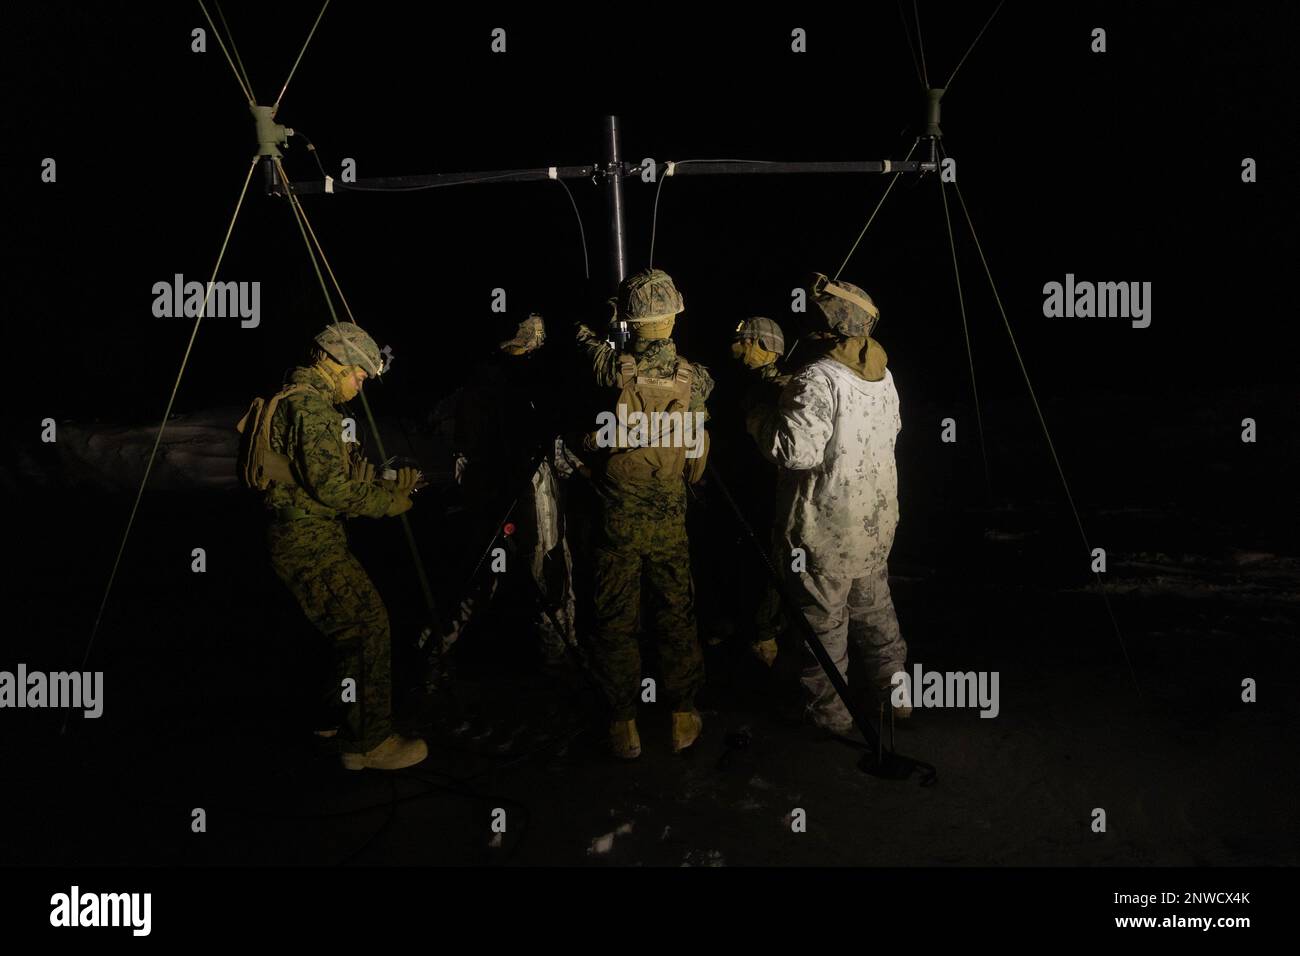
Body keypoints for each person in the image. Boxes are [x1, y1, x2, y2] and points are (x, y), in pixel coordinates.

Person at [747, 275, 911, 734]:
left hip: (825, 530)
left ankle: (830, 715)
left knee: (824, 626)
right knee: (876, 614)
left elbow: (796, 451)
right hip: (875, 524)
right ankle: (896, 697)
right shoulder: (884, 374)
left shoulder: (817, 378)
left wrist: (760, 416)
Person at [263, 322, 429, 770]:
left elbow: (316, 479)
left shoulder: (299, 400)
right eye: (358, 374)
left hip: (304, 532)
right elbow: (331, 488)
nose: (360, 384)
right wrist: (389, 503)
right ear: (336, 362)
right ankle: (369, 742)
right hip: (308, 539)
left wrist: (379, 484)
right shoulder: (311, 408)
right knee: (368, 624)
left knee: (346, 629)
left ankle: (335, 721)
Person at [573, 268, 713, 758]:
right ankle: (680, 716)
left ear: (629, 320)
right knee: (675, 611)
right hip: (670, 514)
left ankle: (622, 724)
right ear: (676, 315)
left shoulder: (611, 371)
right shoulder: (696, 378)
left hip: (618, 516)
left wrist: (599, 327)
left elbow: (582, 341)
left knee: (615, 616)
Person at [729, 317, 792, 667]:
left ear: (762, 347)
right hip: (746, 490)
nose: (736, 347)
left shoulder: (782, 388)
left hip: (770, 492)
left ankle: (766, 635)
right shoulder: (746, 386)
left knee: (769, 563)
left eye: (743, 341)